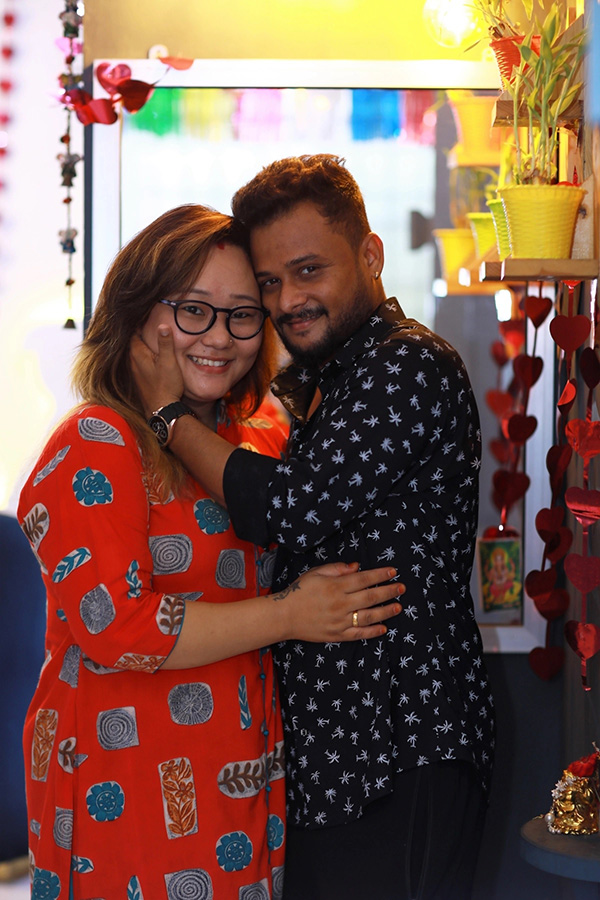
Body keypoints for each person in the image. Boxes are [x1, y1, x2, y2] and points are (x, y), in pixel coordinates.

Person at [131, 157, 496, 900]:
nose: (287, 301)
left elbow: (288, 510)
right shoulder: (330, 380)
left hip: (402, 743)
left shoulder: (408, 365)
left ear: (370, 255)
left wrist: (168, 415)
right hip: (341, 757)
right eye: (270, 283)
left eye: (308, 271)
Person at [17, 203, 404, 900]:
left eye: (242, 314)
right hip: (125, 782)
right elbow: (117, 626)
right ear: (138, 311)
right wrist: (290, 614)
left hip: (243, 773)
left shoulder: (248, 439)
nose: (220, 337)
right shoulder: (98, 441)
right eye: (194, 310)